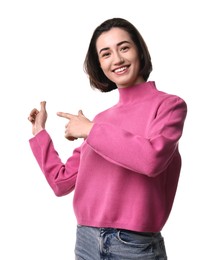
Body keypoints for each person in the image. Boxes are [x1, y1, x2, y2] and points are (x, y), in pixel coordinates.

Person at [28, 17, 187, 260]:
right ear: (99, 64)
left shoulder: (168, 105)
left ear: (140, 52)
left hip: (134, 246)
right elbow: (61, 183)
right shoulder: (99, 121)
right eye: (106, 54)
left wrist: (90, 130)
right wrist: (40, 134)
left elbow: (151, 160)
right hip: (87, 241)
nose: (117, 59)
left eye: (124, 48)